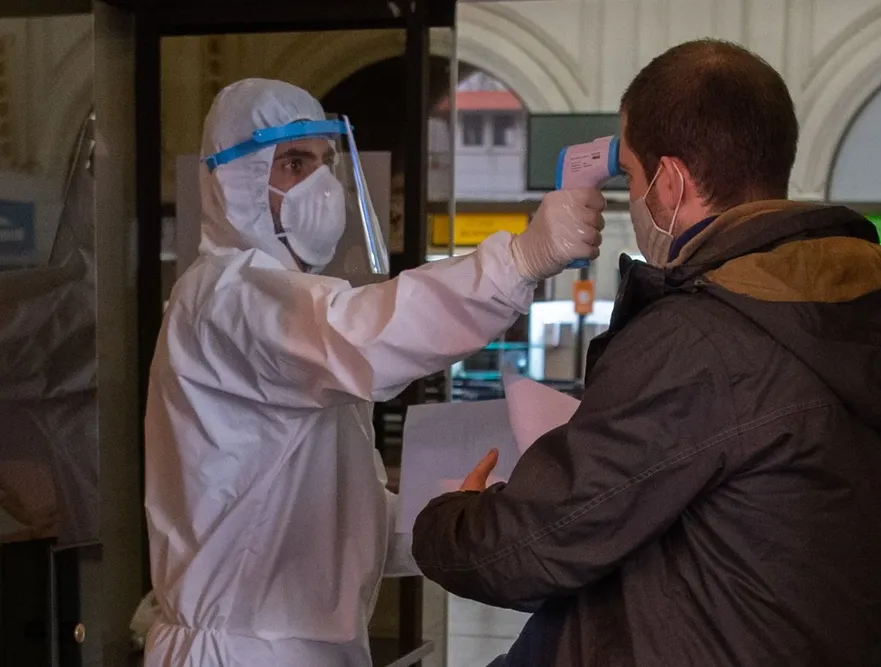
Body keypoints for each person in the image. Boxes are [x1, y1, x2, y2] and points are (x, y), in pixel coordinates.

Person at [412, 39, 881, 667]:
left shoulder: (705, 336)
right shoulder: (861, 310)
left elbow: (533, 546)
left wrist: (448, 517)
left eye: (630, 177)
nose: (629, 199)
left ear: (671, 181)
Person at [142, 78, 605, 667]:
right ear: (236, 180)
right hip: (239, 650)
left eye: (325, 163)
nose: (320, 184)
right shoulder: (226, 298)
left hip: (298, 645)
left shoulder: (279, 304)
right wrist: (518, 260)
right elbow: (364, 337)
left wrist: (445, 509)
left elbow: (319, 507)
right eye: (293, 162)